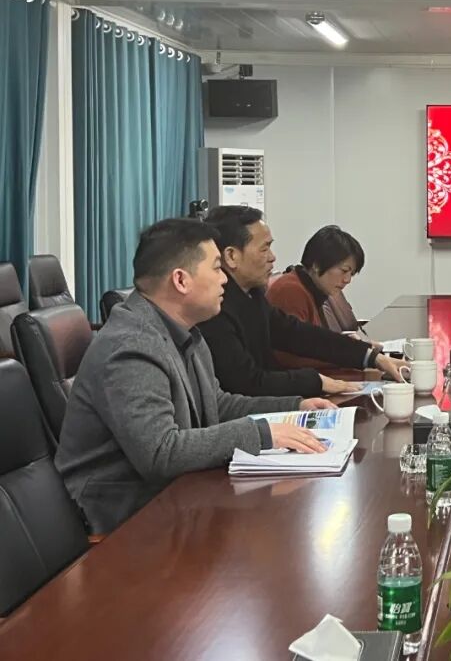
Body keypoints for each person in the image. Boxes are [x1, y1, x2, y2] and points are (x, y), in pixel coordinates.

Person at [54, 218, 336, 533]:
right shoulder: (131, 346)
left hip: (176, 497)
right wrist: (261, 433)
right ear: (181, 280)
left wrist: (294, 407)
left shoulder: (185, 331)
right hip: (123, 516)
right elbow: (161, 452)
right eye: (216, 268)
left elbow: (216, 404)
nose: (224, 279)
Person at [198, 206, 405, 398]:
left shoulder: (253, 294)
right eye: (264, 249)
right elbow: (247, 383)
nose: (273, 257)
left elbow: (297, 334)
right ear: (231, 256)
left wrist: (370, 357)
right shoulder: (214, 308)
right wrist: (315, 382)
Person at [267, 225, 373, 370]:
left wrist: (350, 347)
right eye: (344, 271)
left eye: (352, 274)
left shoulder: (314, 288)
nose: (348, 280)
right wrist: (350, 355)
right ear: (316, 265)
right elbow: (292, 358)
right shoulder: (290, 291)